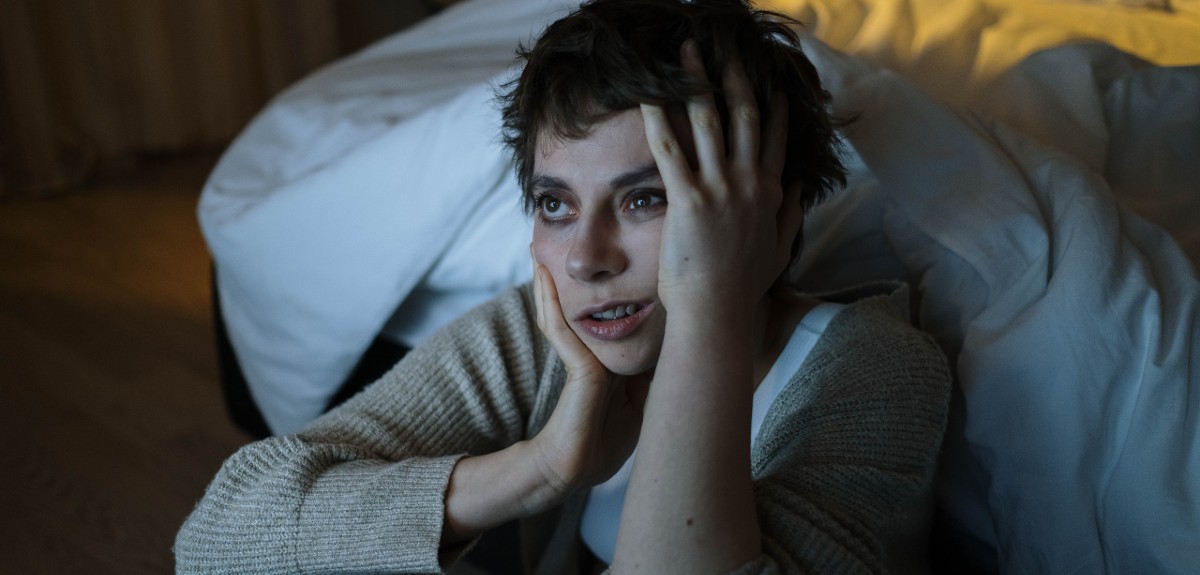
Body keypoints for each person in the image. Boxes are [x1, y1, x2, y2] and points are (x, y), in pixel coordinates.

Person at [175, 0, 951, 572]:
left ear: (765, 207)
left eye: (645, 198)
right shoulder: (553, 330)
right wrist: (542, 468)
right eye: (555, 204)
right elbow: (215, 539)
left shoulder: (875, 370)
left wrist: (707, 306)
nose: (584, 259)